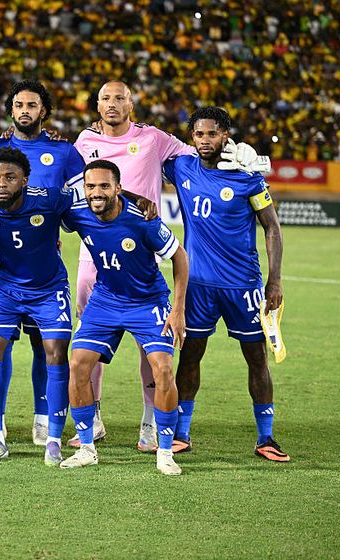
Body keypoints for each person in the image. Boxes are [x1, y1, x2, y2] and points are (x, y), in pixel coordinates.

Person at [71, 80, 265, 452]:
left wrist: (237, 154)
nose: (112, 104)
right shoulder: (82, 142)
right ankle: (93, 416)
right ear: (97, 105)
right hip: (93, 252)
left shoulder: (154, 138)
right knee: (88, 338)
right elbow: (74, 185)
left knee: (152, 343)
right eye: (106, 99)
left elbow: (196, 154)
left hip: (141, 253)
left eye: (119, 98)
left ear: (132, 103)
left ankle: (149, 420)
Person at [0, 80, 86, 446]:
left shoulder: (64, 153)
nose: (24, 111)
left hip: (44, 261)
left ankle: (42, 418)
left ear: (43, 111)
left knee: (43, 345)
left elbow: (78, 204)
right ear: (11, 109)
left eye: (32, 105)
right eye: (18, 104)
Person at [164, 107, 289, 462]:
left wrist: (274, 280)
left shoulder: (249, 178)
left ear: (225, 136)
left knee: (256, 359)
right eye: (199, 134)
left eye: (212, 134)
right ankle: (181, 433)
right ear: (192, 137)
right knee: (189, 357)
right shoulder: (182, 167)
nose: (205, 140)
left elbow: (272, 228)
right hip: (198, 286)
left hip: (243, 285)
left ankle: (266, 438)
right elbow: (143, 157)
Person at [59, 160, 189, 475]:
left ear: (118, 188)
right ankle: (87, 448)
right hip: (105, 299)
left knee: (163, 370)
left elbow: (179, 256)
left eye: (105, 186)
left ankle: (165, 450)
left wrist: (178, 309)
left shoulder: (142, 221)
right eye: (91, 186)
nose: (96, 193)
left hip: (148, 302)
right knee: (77, 364)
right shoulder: (78, 212)